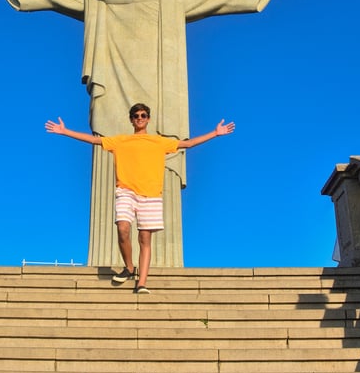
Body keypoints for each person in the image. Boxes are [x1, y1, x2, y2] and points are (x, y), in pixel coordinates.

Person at [0, 0, 328, 267]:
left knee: (160, 152)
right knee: (113, 153)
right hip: (111, 73)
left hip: (163, 78)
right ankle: (121, 263)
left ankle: (148, 269)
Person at [45, 102, 236, 293]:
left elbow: (188, 144)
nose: (139, 118)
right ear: (131, 120)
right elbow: (95, 140)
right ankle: (129, 267)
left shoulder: (159, 141)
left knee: (145, 239)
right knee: (122, 228)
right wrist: (65, 131)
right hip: (126, 191)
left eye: (143, 115)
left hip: (151, 195)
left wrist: (215, 133)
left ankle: (142, 283)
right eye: (136, 116)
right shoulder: (121, 141)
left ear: (148, 119)